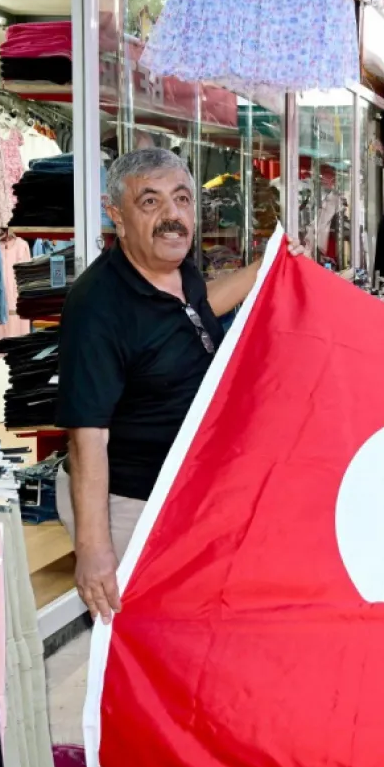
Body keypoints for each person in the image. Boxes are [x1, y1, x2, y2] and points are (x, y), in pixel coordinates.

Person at [55, 148, 302, 625]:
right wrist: (94, 549)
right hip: (131, 507)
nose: (172, 216)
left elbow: (200, 306)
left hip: (185, 495)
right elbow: (88, 439)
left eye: (181, 199)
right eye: (150, 202)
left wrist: (265, 268)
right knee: (144, 644)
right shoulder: (98, 308)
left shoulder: (176, 269)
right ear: (116, 216)